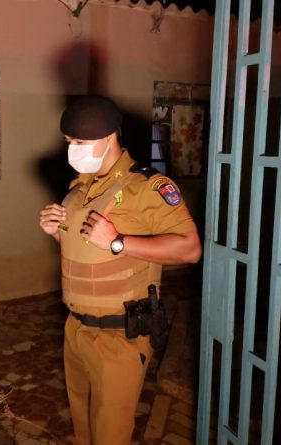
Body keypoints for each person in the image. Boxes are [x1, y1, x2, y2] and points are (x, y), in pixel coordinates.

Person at [38, 95, 202, 445]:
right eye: (69, 142)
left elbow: (190, 249)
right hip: (76, 330)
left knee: (110, 434)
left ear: (109, 137)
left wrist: (118, 242)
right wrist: (55, 232)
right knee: (84, 430)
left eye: (80, 142)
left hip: (119, 335)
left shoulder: (147, 187)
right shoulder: (78, 186)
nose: (72, 150)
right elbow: (81, 247)